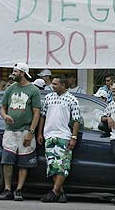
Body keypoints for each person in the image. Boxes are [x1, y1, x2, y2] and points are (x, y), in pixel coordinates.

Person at [0, 62, 41, 201]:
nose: (13, 73)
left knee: (24, 161)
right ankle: (7, 189)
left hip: (25, 130)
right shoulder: (10, 89)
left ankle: (19, 190)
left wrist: (31, 131)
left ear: (22, 73)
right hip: (10, 131)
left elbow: (36, 113)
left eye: (15, 71)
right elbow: (3, 107)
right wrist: (5, 116)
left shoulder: (33, 90)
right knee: (7, 161)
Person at [37, 75, 81, 203]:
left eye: (55, 84)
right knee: (53, 165)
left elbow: (76, 120)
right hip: (49, 135)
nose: (52, 86)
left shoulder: (72, 99)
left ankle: (54, 192)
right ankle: (61, 193)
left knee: (62, 165)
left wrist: (74, 137)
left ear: (63, 85)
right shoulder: (48, 97)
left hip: (64, 136)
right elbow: (42, 116)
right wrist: (40, 133)